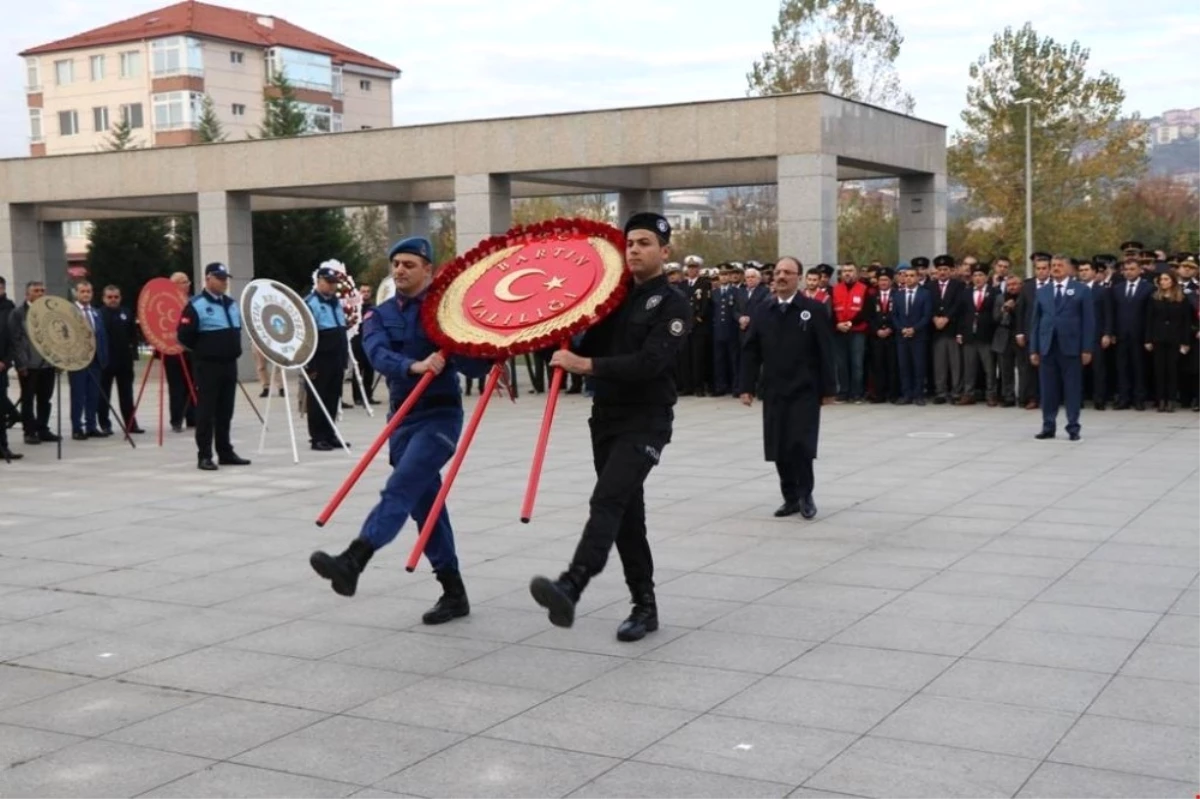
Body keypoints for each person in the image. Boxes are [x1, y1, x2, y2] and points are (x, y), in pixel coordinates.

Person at [310, 236, 490, 626]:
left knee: (402, 486)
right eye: (396, 264)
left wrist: (491, 346)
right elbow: (376, 354)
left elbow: (475, 368)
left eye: (409, 264)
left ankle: (355, 558)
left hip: (439, 419)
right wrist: (415, 366)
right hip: (401, 420)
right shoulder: (380, 314)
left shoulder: (449, 314)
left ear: (429, 269)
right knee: (427, 509)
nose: (400, 270)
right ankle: (453, 590)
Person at [529, 212, 691, 642]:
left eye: (644, 243)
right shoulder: (611, 301)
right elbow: (582, 340)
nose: (634, 249)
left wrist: (585, 365)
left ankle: (572, 584)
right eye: (630, 243)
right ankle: (645, 605)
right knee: (625, 515)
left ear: (664, 251)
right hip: (606, 420)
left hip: (646, 420)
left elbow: (651, 363)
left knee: (607, 499)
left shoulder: (673, 304)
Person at [741, 256, 835, 519]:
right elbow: (750, 351)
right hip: (774, 389)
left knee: (801, 445)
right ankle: (789, 497)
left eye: (788, 272)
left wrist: (829, 388)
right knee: (778, 445)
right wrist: (745, 386)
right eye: (778, 271)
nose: (781, 276)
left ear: (799, 278)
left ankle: (806, 494)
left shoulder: (812, 309)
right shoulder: (763, 310)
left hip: (804, 389)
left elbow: (825, 351)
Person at [176, 263, 251, 470]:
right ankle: (205, 455)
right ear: (208, 278)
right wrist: (205, 351)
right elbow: (184, 336)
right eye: (219, 278)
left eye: (226, 278)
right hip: (208, 366)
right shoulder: (196, 305)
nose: (224, 282)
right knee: (206, 411)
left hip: (229, 364)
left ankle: (225, 451)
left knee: (226, 411)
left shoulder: (231, 304)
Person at [1030, 254, 1095, 441]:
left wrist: (1087, 349)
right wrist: (1034, 349)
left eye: (1059, 265)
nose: (1055, 268)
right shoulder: (1043, 291)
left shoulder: (1081, 290)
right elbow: (1035, 322)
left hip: (1072, 347)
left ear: (1068, 268)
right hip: (1047, 347)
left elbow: (1088, 322)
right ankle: (1048, 426)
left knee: (1072, 389)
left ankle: (1073, 427)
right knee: (1048, 390)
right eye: (1053, 265)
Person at [8, 281, 59, 446]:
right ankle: (29, 431)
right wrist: (21, 364)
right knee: (28, 399)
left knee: (45, 398)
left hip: (47, 363)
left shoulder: (50, 312)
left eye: (42, 290)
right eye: (36, 291)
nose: (40, 293)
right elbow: (15, 341)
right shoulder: (18, 313)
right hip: (29, 365)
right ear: (27, 294)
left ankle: (43, 428)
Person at [305, 266, 349, 451]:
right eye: (329, 283)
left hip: (336, 356)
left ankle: (330, 433)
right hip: (320, 359)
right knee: (318, 398)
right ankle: (317, 437)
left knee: (333, 397)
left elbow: (341, 329)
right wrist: (311, 364)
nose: (332, 287)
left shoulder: (335, 303)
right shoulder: (310, 303)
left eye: (334, 284)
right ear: (319, 281)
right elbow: (308, 335)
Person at [98, 284, 143, 435]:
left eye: (116, 297)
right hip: (106, 362)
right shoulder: (99, 315)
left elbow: (133, 335)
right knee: (104, 395)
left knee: (127, 395)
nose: (113, 300)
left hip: (124, 361)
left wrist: (134, 354)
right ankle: (105, 424)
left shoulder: (126, 312)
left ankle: (131, 424)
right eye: (109, 297)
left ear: (120, 298)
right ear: (104, 299)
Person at [1145, 270, 1191, 413]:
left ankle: (1171, 399)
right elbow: (1149, 320)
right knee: (1159, 370)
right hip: (1158, 338)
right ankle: (1161, 400)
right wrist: (1148, 339)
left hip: (1175, 338)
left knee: (1172, 370)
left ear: (1172, 281)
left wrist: (1185, 342)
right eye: (1161, 279)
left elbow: (1186, 322)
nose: (1163, 282)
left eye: (1166, 279)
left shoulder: (1182, 298)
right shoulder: (1154, 297)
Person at [67, 281, 108, 440]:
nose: (86, 294)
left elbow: (102, 336)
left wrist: (104, 357)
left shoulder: (96, 312)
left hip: (95, 360)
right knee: (78, 395)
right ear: (76, 293)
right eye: (83, 291)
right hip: (78, 360)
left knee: (93, 395)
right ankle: (77, 427)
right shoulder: (71, 312)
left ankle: (91, 425)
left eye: (88, 291)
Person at [956, 263, 998, 406]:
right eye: (975, 275)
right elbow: (961, 315)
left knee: (989, 368)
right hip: (969, 335)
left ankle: (991, 394)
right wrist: (960, 332)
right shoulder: (966, 293)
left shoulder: (994, 292)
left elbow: (995, 314)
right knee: (969, 367)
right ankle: (969, 393)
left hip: (986, 335)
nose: (978, 278)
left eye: (981, 275)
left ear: (986, 277)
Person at [893, 264, 931, 405]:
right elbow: (894, 316)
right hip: (902, 336)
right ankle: (906, 394)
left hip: (919, 336)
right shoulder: (898, 295)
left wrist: (914, 329)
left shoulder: (925, 294)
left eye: (912, 276)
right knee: (904, 366)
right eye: (906, 276)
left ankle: (919, 394)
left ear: (918, 277)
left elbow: (926, 315)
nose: (908, 278)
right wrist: (901, 328)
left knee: (919, 366)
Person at [165, 271, 196, 431]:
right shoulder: (166, 302)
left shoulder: (193, 302)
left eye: (187, 281)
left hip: (191, 349)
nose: (187, 285)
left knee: (192, 383)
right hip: (172, 351)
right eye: (183, 282)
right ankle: (176, 419)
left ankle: (192, 417)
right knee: (176, 387)